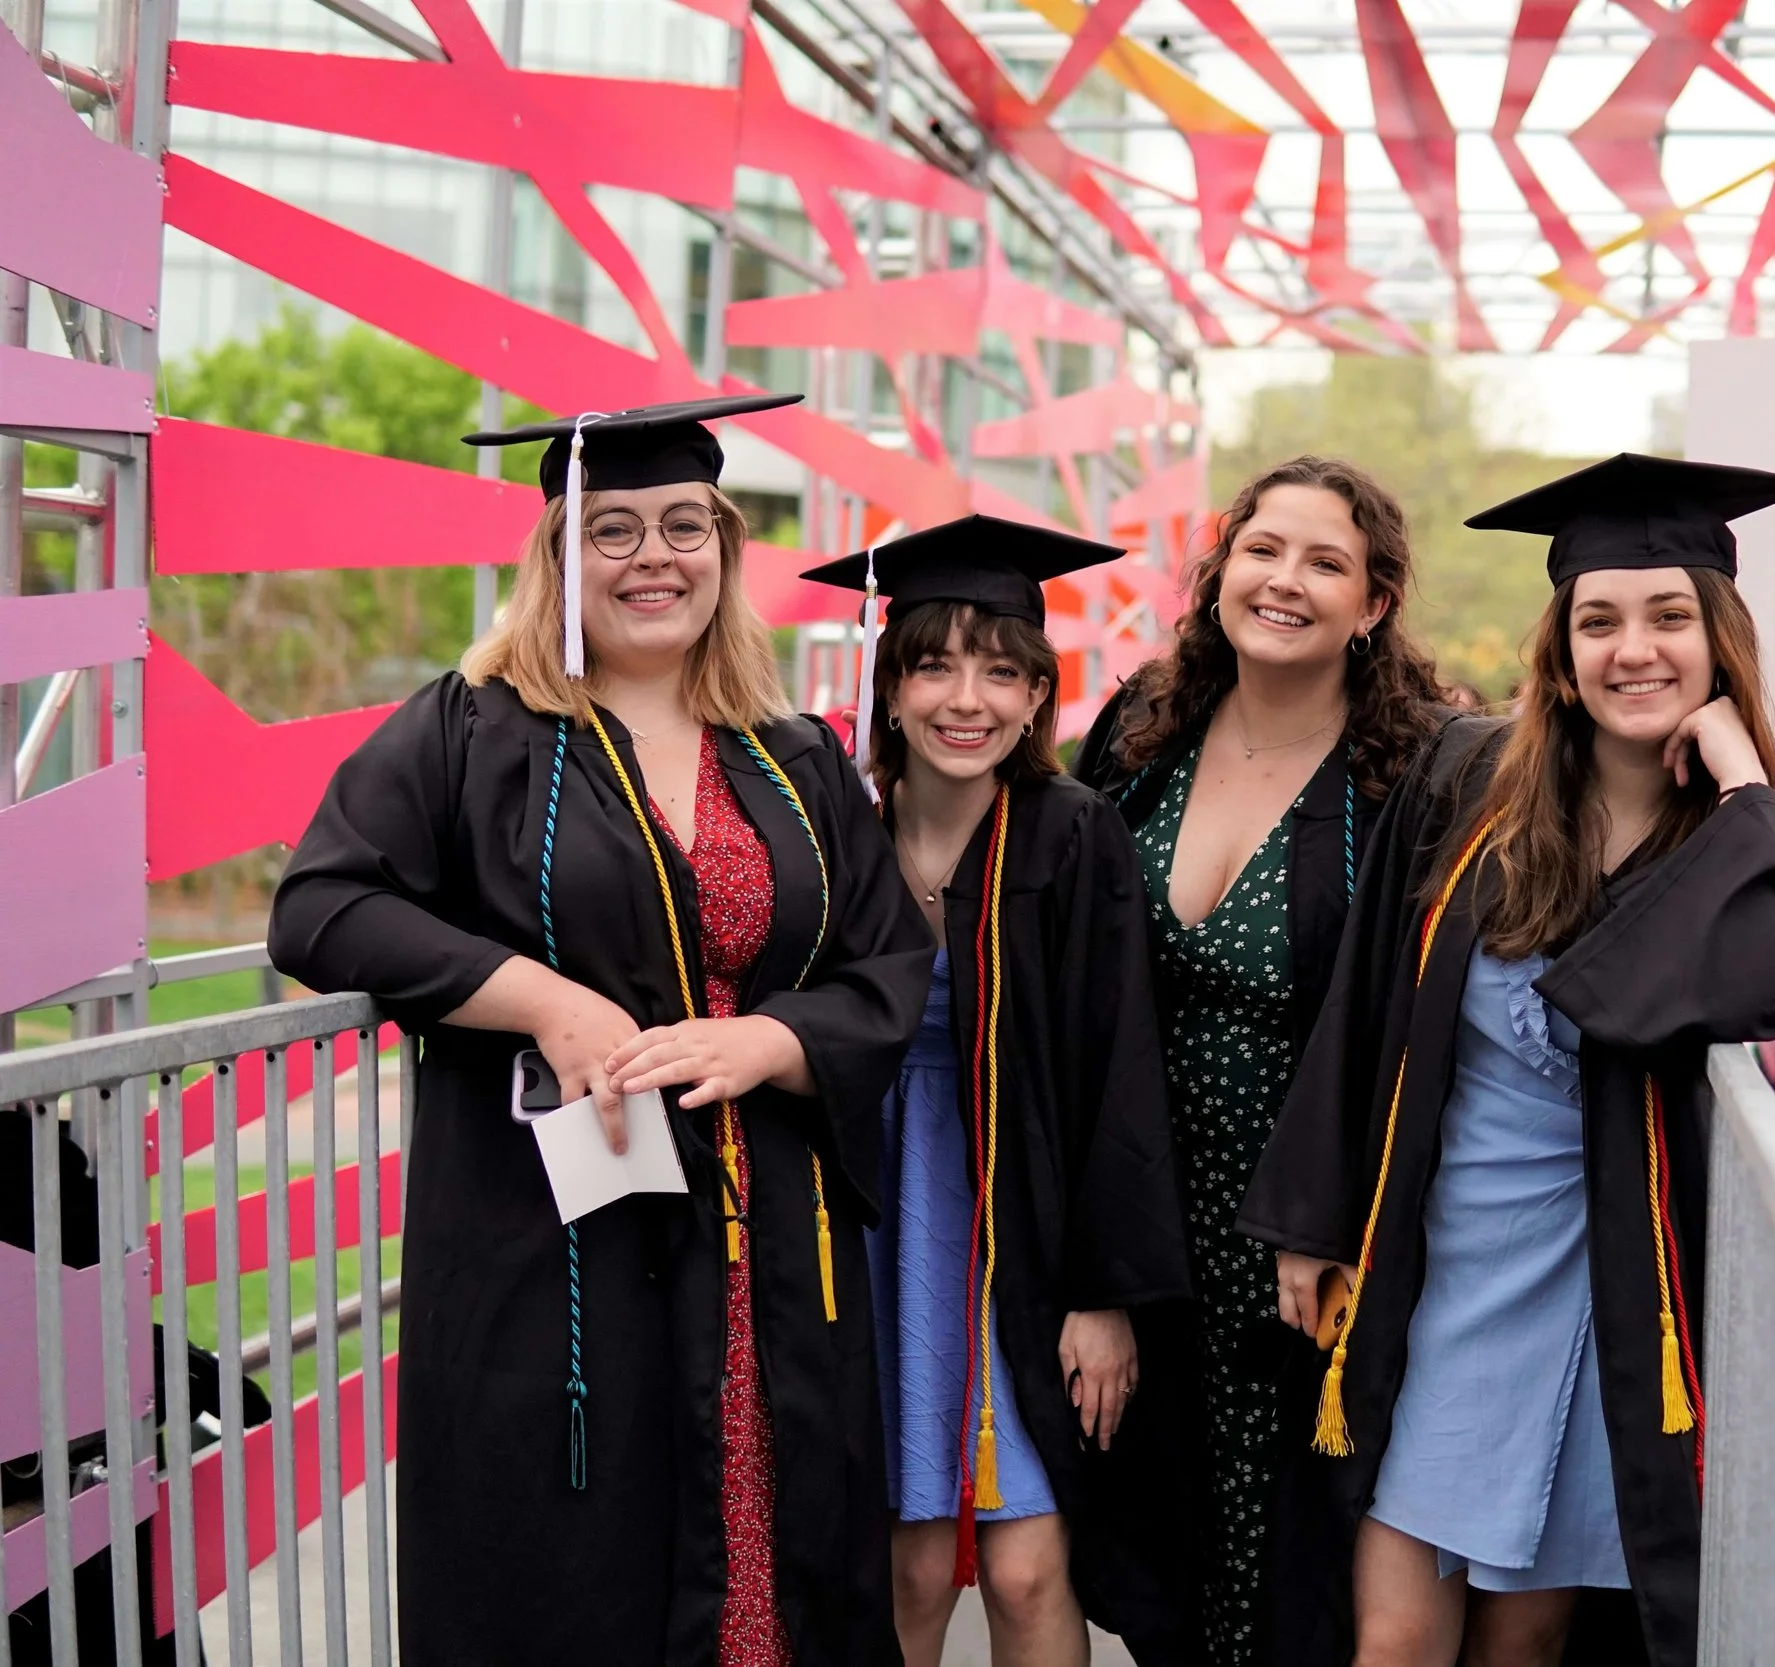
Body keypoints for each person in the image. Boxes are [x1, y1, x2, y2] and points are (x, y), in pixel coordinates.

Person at [268, 395, 934, 1667]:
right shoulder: (475, 730)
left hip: (770, 1247)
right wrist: (544, 997)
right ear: (558, 560)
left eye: (685, 524)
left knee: (779, 1562)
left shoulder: (792, 755)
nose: (653, 555)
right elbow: (322, 906)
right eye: (611, 528)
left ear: (725, 549)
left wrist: (777, 1042)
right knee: (576, 1564)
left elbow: (883, 958)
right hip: (558, 1246)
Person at [1239, 454, 1775, 1667]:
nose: (1634, 649)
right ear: (1561, 644)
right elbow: (1366, 994)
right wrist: (1312, 1213)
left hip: (1610, 1283)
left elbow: (1675, 988)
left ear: (1718, 636)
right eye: (1599, 619)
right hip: (1443, 1260)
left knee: (1527, 1640)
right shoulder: (1468, 779)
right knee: (1394, 1637)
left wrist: (1738, 792)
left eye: (1670, 616)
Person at [1069, 455, 1448, 1665]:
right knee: (1163, 1549)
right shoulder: (1137, 736)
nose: (1286, 580)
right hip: (1139, 1212)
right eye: (1263, 549)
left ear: (1374, 602)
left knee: (1300, 1564)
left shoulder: (1415, 777)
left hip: (1313, 1229)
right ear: (1221, 566)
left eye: (1326, 561)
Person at [803, 518, 1194, 1665]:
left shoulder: (1071, 838)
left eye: (1002, 668)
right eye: (934, 662)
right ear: (890, 685)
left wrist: (1102, 1290)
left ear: (1038, 693)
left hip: (1015, 1223)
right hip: (873, 1223)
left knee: (1025, 1567)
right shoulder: (840, 839)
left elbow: (1118, 1072)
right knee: (912, 1563)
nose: (965, 697)